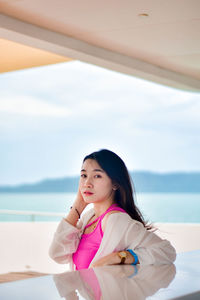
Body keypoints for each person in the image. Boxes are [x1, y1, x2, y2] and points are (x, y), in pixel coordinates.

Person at [49, 149, 176, 270]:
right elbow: (57, 254)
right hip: (83, 292)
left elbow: (166, 251)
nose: (87, 182)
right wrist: (78, 205)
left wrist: (121, 256)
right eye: (84, 175)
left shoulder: (116, 219)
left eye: (97, 176)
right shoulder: (89, 217)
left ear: (115, 183)